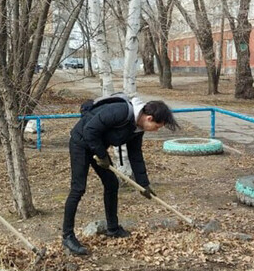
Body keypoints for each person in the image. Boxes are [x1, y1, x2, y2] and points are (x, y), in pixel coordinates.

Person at [61, 95, 178, 256]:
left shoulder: (137, 128)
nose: (156, 130)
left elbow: (135, 154)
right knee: (78, 188)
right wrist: (102, 155)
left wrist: (144, 184)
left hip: (97, 145)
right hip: (81, 142)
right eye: (157, 126)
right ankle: (67, 237)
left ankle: (113, 228)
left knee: (111, 184)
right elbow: (90, 130)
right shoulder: (120, 112)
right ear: (149, 118)